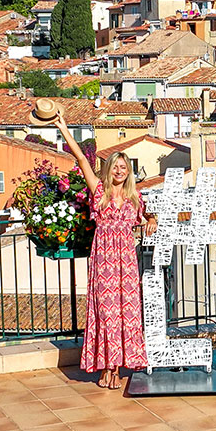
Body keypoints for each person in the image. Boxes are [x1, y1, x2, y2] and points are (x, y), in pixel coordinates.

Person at [55, 111, 148, 389]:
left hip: (127, 261)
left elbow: (146, 216)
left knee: (125, 312)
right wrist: (63, 127)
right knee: (106, 313)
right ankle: (105, 366)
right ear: (108, 170)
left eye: (123, 167)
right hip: (104, 259)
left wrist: (152, 219)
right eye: (114, 167)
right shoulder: (99, 191)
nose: (119, 171)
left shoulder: (135, 196)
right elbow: (82, 159)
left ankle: (118, 368)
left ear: (128, 171)